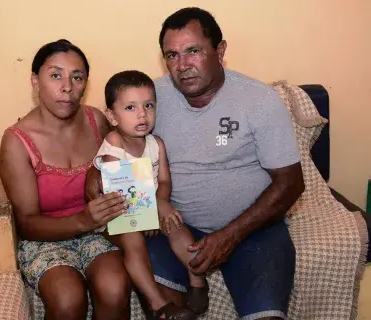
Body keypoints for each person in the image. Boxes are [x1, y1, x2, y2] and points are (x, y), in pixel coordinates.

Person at [86, 7, 305, 320]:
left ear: (220, 51)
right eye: (171, 55)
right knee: (166, 309)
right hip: (173, 225)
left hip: (254, 229)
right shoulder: (151, 98)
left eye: (193, 51)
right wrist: (96, 181)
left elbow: (291, 184)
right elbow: (116, 143)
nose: (183, 66)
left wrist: (228, 236)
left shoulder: (259, 100)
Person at [0, 39, 131, 320]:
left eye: (77, 77)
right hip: (44, 240)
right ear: (35, 81)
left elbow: (121, 160)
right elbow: (27, 224)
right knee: (67, 298)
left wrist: (99, 170)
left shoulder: (97, 120)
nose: (67, 87)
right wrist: (83, 220)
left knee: (115, 286)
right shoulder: (17, 140)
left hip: (98, 232)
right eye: (55, 75)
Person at [91, 70, 208, 320]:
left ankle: (197, 279)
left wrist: (161, 204)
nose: (142, 114)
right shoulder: (115, 142)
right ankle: (158, 304)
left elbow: (164, 181)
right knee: (133, 240)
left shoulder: (157, 144)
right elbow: (119, 187)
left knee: (175, 223)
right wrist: (149, 212)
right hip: (118, 211)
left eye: (148, 105)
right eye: (130, 107)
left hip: (149, 204)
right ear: (112, 116)